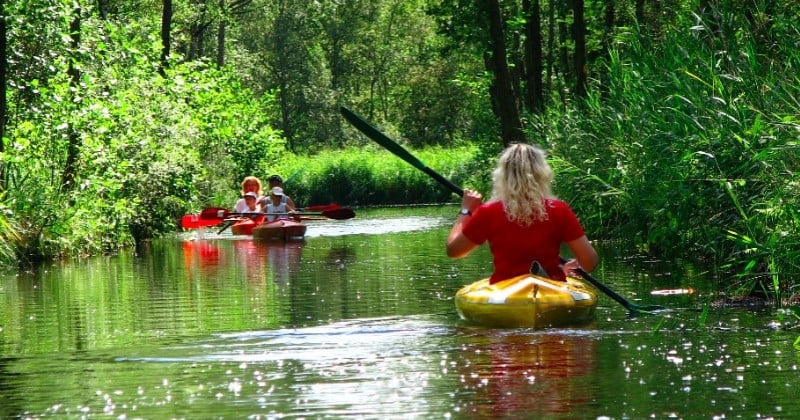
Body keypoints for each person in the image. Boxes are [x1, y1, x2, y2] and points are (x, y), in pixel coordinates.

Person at [446, 143, 598, 283]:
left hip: (505, 289)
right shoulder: (559, 209)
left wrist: (466, 210)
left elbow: (454, 251)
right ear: (541, 174)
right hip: (552, 285)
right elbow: (590, 262)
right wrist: (576, 264)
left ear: (503, 175)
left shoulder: (489, 212)